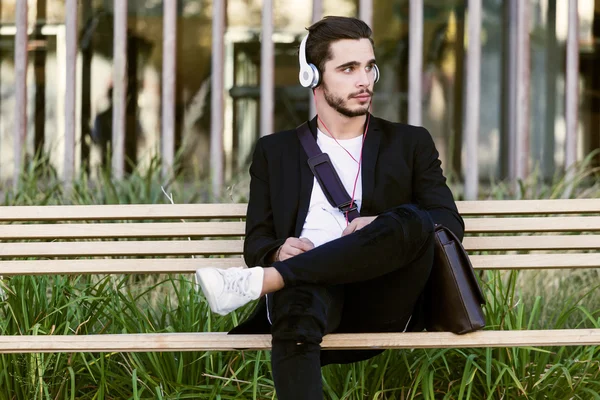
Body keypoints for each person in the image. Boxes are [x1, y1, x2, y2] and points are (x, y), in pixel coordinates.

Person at [196, 16, 464, 400]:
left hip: (383, 297)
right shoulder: (276, 152)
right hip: (309, 301)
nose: (365, 80)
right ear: (312, 76)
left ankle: (267, 281)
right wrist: (274, 251)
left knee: (411, 219)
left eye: (369, 66)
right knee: (296, 303)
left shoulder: (409, 143)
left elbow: (447, 222)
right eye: (348, 68)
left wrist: (379, 223)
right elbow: (258, 240)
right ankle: (283, 278)